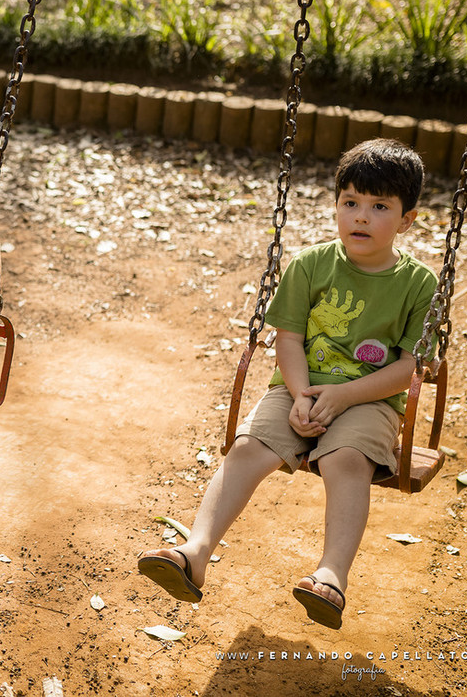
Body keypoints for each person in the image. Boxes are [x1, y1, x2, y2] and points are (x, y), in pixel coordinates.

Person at [137, 138, 437, 630]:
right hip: (298, 390)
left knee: (347, 459)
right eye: (351, 202)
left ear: (407, 220)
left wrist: (342, 395)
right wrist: (300, 394)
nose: (361, 216)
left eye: (379, 206)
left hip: (370, 399)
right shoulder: (310, 265)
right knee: (249, 446)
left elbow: (411, 368)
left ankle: (331, 577)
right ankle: (195, 552)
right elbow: (289, 340)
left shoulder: (420, 284)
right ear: (337, 205)